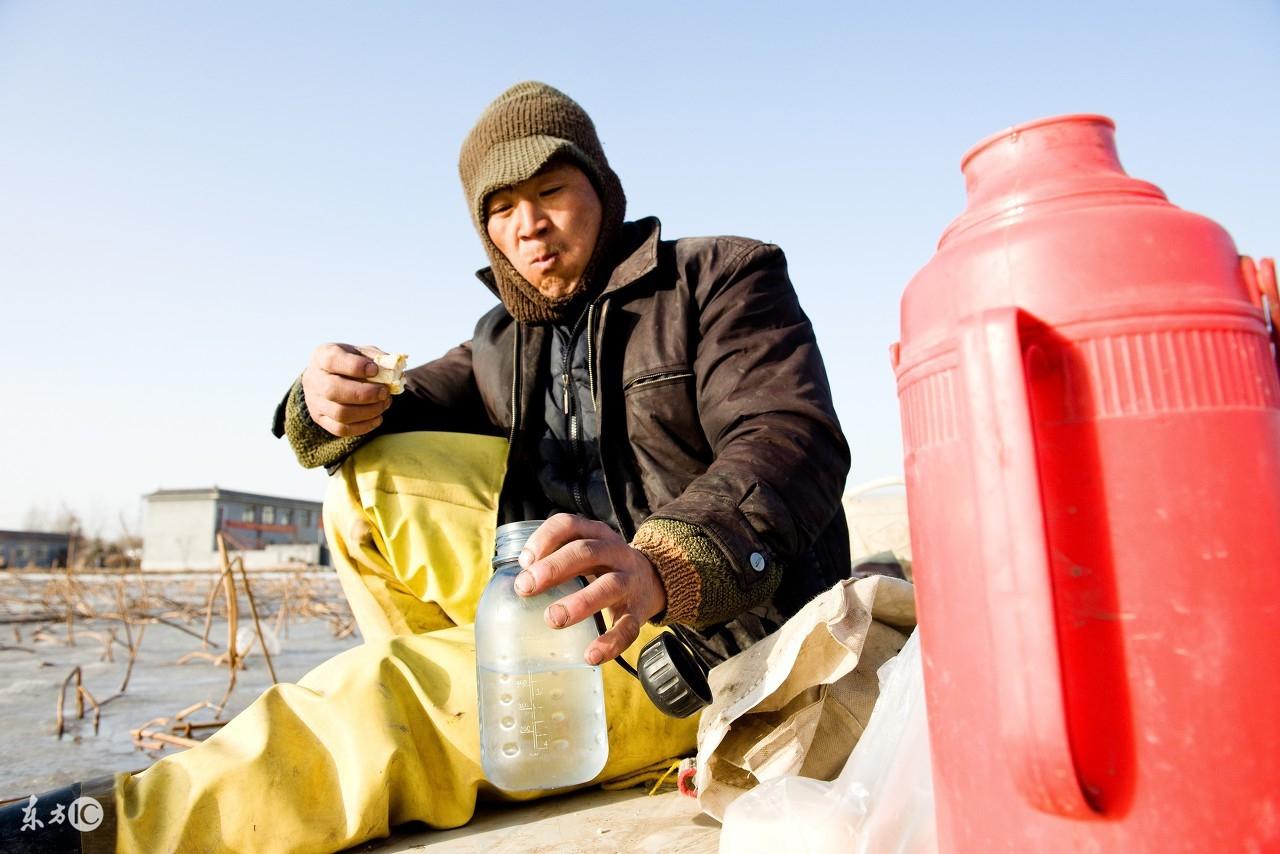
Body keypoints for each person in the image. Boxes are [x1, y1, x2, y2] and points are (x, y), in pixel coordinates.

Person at [1, 81, 851, 854]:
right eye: (503, 207)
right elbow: (383, 413)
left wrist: (665, 565)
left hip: (703, 637)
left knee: (379, 694)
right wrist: (323, 399)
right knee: (364, 477)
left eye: (552, 191)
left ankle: (96, 833)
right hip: (563, 609)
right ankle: (480, 724)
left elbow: (789, 435)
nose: (530, 225)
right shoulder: (499, 344)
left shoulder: (720, 277)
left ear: (600, 185)